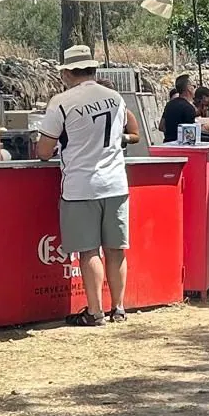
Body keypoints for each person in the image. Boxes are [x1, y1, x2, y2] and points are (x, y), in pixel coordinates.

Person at [34, 44, 141, 326]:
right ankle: (119, 308)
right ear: (93, 70)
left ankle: (95, 312)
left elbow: (44, 150)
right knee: (117, 249)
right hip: (116, 183)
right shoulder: (116, 98)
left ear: (68, 72)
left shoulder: (62, 102)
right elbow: (127, 134)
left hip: (80, 186)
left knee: (89, 250)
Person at [159, 73, 197, 142]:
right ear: (189, 88)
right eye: (194, 86)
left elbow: (161, 126)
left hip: (168, 144)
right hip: (181, 147)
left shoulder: (169, 105)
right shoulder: (189, 108)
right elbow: (191, 136)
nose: (194, 89)